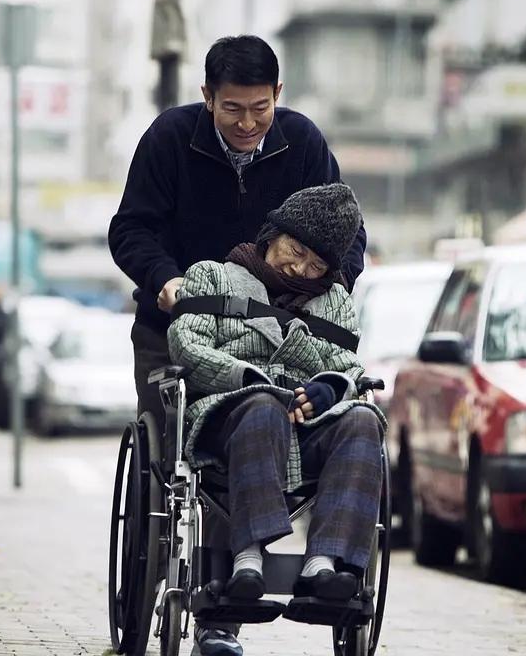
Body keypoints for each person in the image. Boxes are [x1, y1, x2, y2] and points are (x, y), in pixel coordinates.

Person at [168, 184, 384, 655]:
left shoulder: (336, 304)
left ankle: (324, 565)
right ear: (274, 233)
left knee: (364, 419)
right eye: (296, 250)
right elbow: (186, 343)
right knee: (264, 404)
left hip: (305, 427)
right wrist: (247, 377)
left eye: (317, 265)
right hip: (228, 417)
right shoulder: (212, 276)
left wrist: (327, 387)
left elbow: (350, 368)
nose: (301, 269)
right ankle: (247, 559)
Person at [108, 35, 368, 425]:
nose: (247, 123)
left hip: (283, 335)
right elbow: (130, 228)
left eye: (260, 107)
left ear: (277, 94)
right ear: (208, 96)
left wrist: (328, 291)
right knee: (167, 440)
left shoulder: (303, 143)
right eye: (232, 108)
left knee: (323, 429)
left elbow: (348, 235)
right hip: (178, 326)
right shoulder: (169, 138)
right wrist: (163, 278)